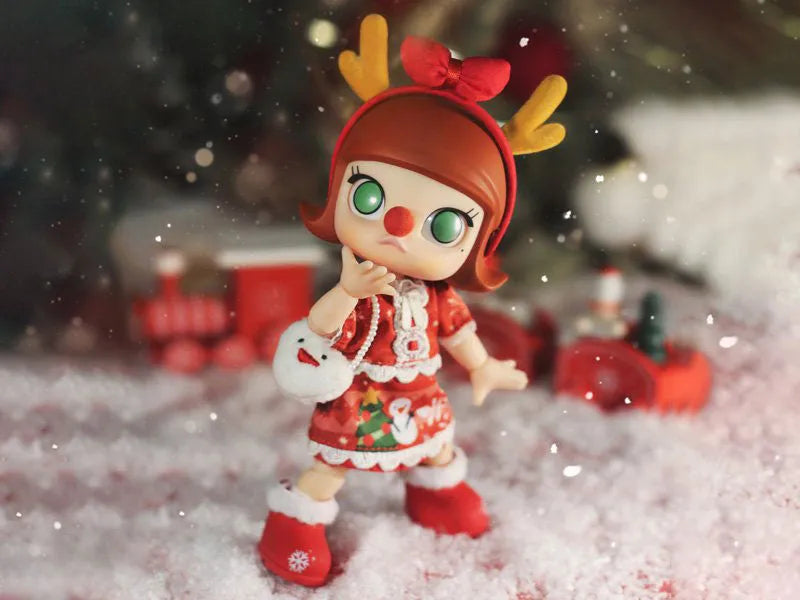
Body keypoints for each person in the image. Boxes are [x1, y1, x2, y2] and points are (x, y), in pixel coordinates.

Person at [257, 15, 567, 586]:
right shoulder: (358, 281)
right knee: (331, 466)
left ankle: (436, 495)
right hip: (360, 395)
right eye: (369, 197)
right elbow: (318, 327)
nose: (397, 226)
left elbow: (457, 330)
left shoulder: (437, 293)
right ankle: (294, 523)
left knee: (436, 449)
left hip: (418, 394)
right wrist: (347, 292)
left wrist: (483, 366)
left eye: (443, 225)